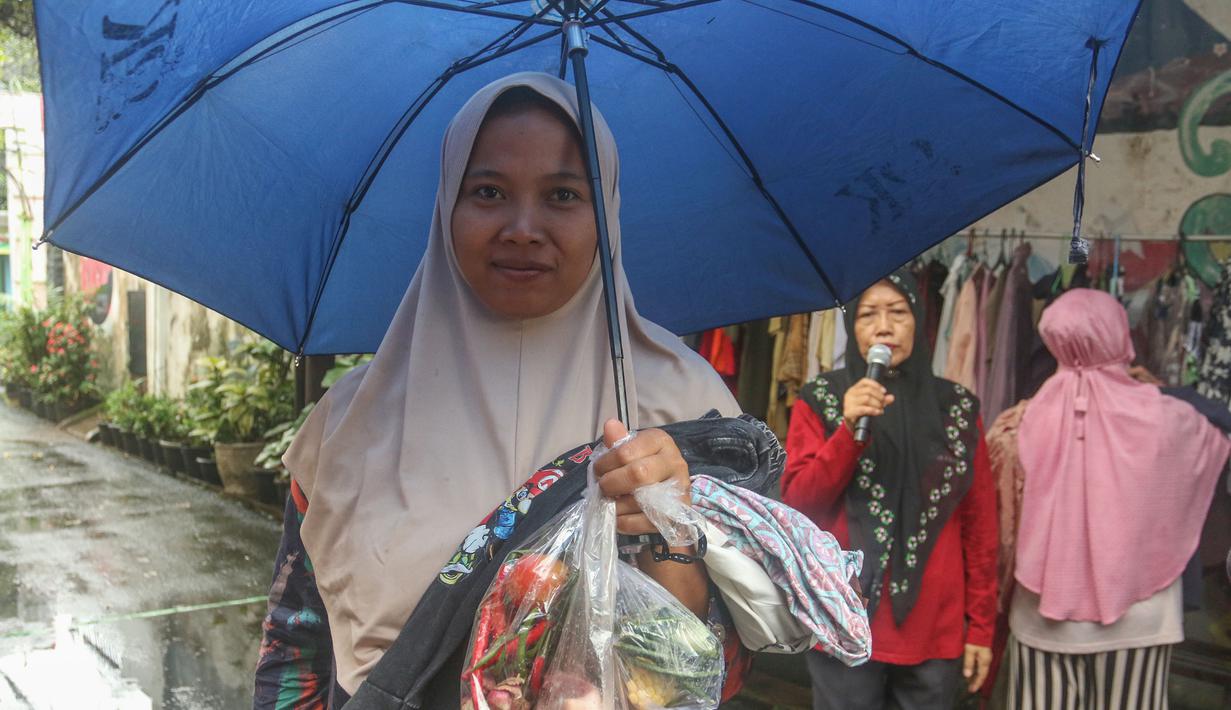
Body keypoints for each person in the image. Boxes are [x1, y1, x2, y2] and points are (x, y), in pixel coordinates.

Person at [252, 73, 749, 708]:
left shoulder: (689, 413)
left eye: (564, 195)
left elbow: (722, 677)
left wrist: (671, 535)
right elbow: (294, 650)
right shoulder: (352, 424)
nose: (522, 227)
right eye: (487, 191)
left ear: (607, 214)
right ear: (444, 208)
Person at [986, 289, 1231, 709]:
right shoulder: (1170, 419)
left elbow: (1000, 525)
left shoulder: (1018, 424)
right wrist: (1161, 392)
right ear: (1120, 335)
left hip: (1043, 615)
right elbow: (1221, 426)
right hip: (1141, 617)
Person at [783, 271, 999, 710]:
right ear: (852, 329)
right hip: (843, 616)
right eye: (868, 315)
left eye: (898, 312)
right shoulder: (821, 398)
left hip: (934, 629)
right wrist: (847, 432)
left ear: (918, 322)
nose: (884, 326)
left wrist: (980, 629)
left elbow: (980, 527)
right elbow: (799, 504)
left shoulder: (957, 409)